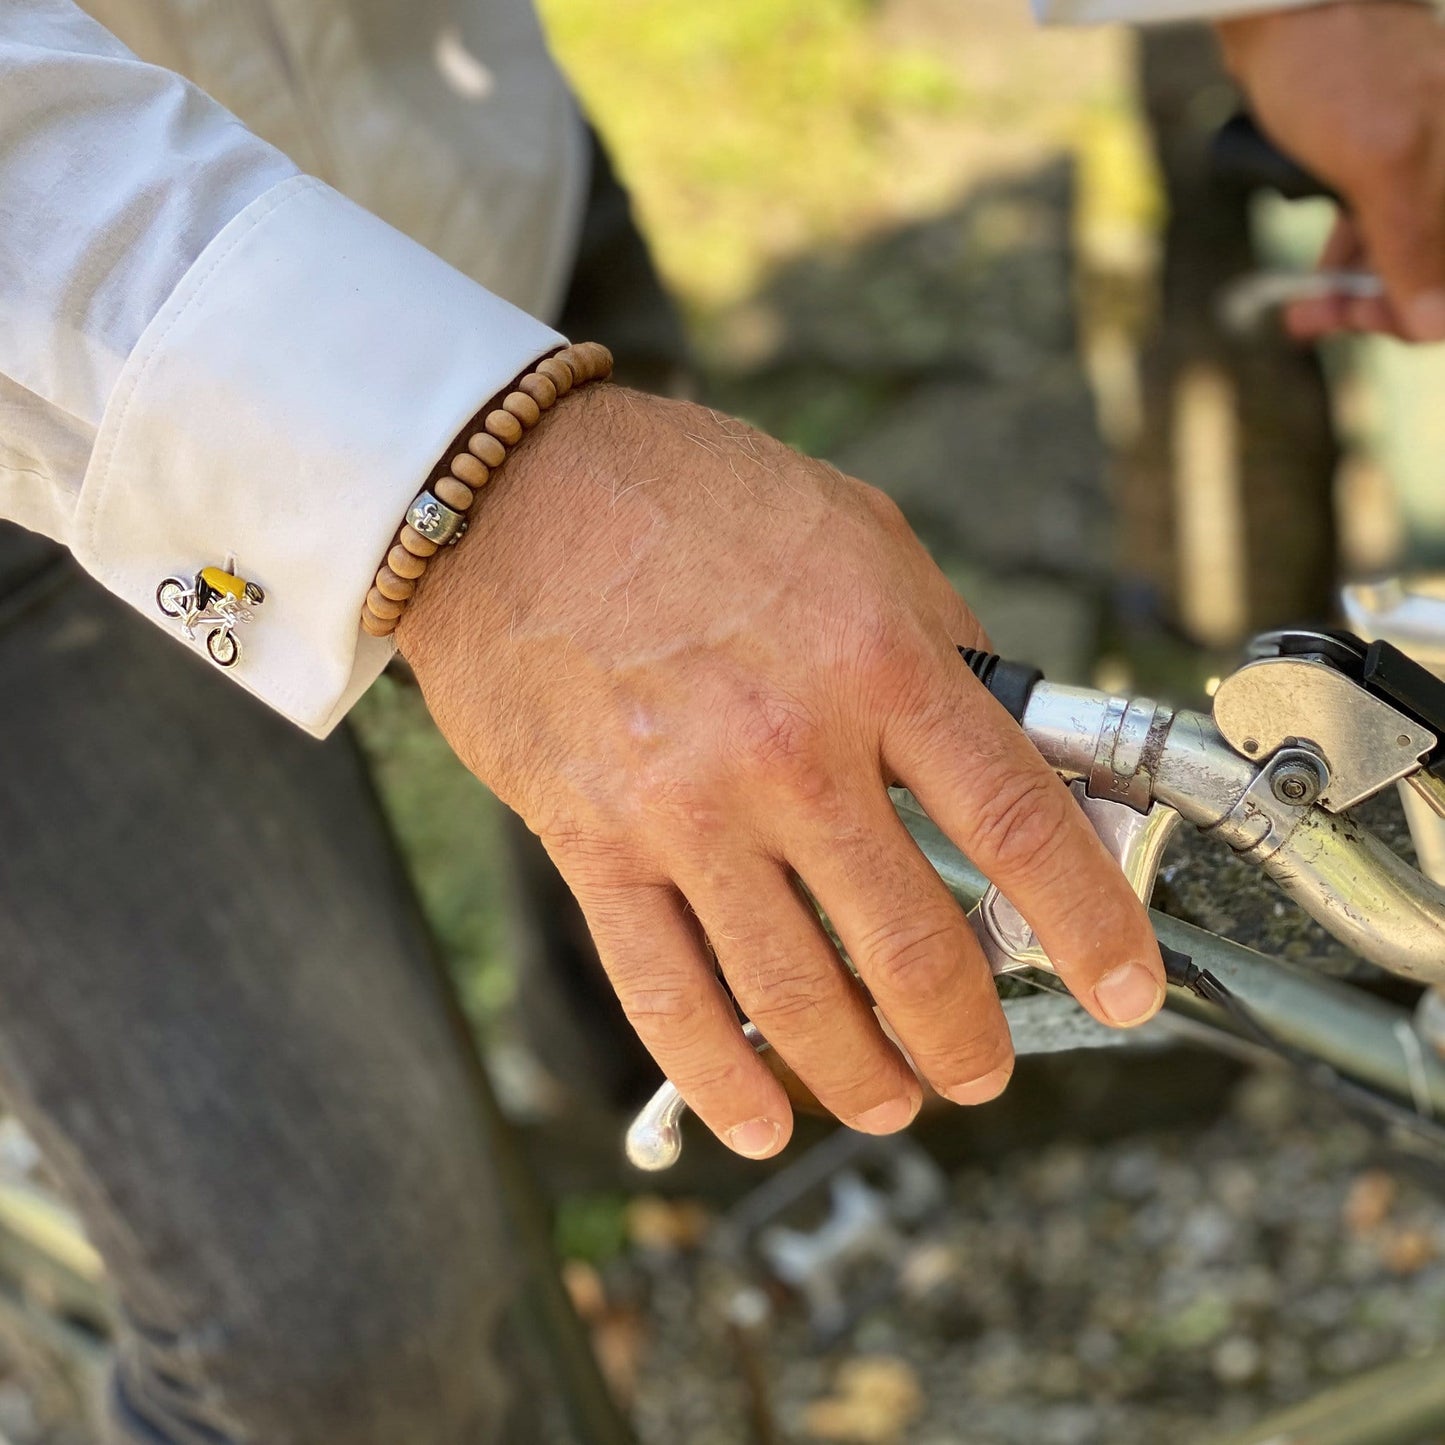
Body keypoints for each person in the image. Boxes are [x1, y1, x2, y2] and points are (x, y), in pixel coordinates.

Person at [0, 0, 1438, 1440]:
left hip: (453, 175)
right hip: (50, 386)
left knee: (748, 870)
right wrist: (479, 483)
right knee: (348, 1346)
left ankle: (633, 1089)